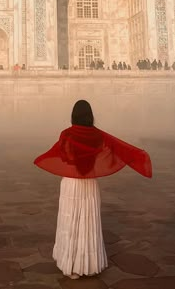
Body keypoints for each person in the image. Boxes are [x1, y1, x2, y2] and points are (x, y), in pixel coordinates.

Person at [34, 100, 152, 280]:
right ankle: (89, 265)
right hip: (89, 181)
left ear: (73, 115)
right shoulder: (97, 136)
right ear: (90, 116)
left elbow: (64, 157)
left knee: (70, 220)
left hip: (72, 182)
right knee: (88, 221)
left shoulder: (66, 134)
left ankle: (70, 265)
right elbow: (114, 149)